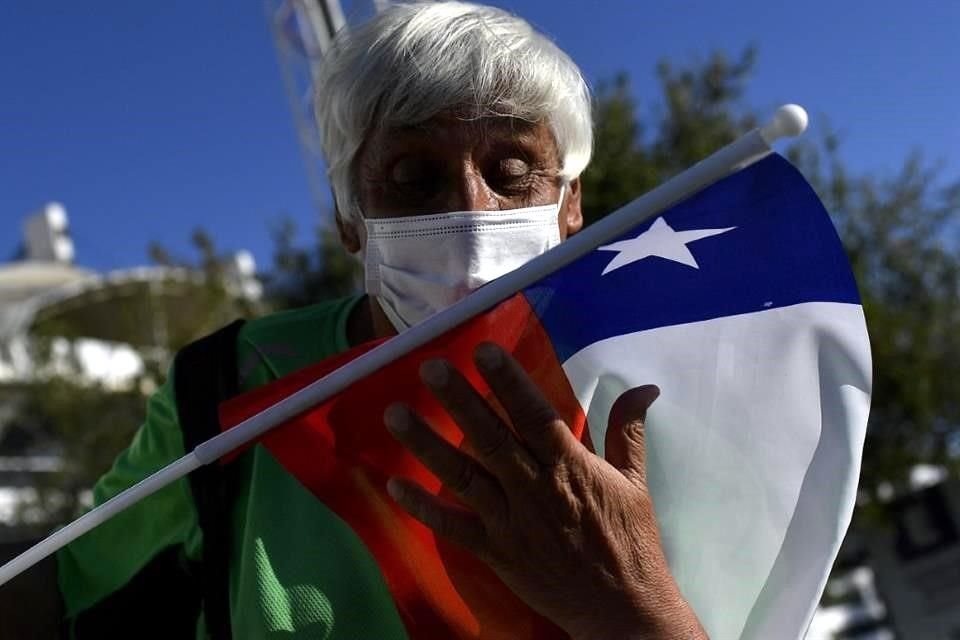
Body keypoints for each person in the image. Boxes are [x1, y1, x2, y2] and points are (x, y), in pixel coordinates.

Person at [1, 2, 707, 638]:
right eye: (411, 178)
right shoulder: (237, 387)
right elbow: (63, 582)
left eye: (512, 168)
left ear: (570, 201)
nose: (470, 211)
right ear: (349, 219)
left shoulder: (661, 373)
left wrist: (635, 605)